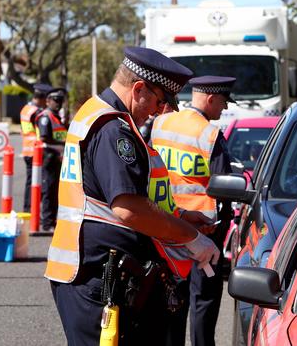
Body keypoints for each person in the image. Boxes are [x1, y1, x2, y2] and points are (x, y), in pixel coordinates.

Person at [45, 46, 220, 346]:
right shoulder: (113, 130)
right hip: (98, 277)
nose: (159, 110)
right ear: (139, 88)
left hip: (94, 271)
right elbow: (129, 208)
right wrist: (190, 236)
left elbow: (112, 198)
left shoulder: (96, 113)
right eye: (159, 101)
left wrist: (178, 217)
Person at [150, 76, 236, 346]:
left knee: (172, 296)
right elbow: (225, 186)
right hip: (203, 230)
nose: (223, 109)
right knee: (204, 298)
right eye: (222, 102)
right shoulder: (209, 134)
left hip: (163, 225)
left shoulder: (160, 123)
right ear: (210, 99)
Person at [36, 87, 68, 232]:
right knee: (48, 189)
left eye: (60, 101)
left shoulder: (57, 117)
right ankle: (47, 223)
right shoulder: (45, 117)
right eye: (56, 100)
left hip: (58, 158)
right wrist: (63, 144)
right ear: (48, 101)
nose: (58, 103)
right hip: (49, 156)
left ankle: (53, 220)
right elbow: (44, 137)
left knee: (56, 190)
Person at [20, 83, 52, 212]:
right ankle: (31, 211)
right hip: (36, 152)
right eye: (46, 100)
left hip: (27, 150)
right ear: (42, 98)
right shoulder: (37, 113)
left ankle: (28, 210)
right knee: (38, 183)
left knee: (30, 183)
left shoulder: (25, 109)